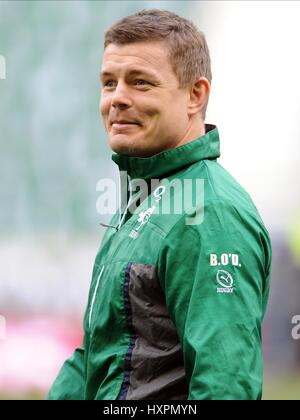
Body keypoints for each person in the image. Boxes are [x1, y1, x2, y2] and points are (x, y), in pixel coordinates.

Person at [48, 9, 272, 400]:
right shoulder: (143, 200)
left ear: (195, 95)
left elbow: (226, 386)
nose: (117, 98)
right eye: (108, 83)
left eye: (140, 83)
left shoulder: (209, 213)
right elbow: (93, 359)